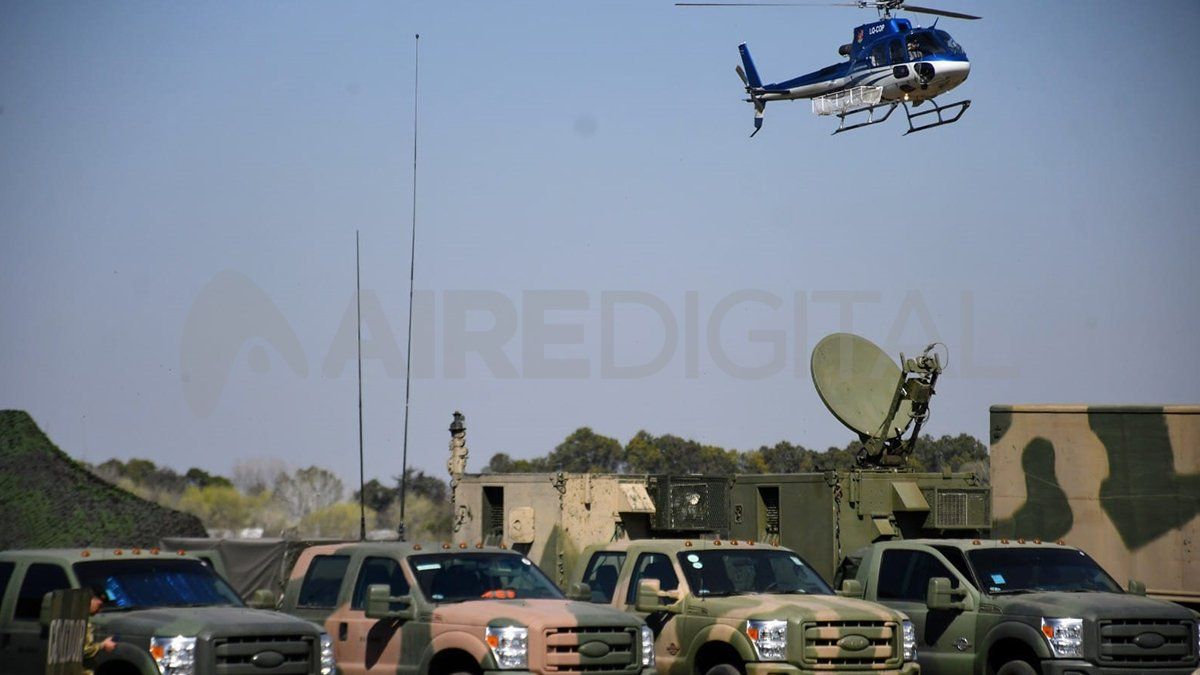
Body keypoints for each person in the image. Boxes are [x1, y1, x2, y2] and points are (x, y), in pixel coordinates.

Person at [83, 587, 117, 675]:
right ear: (92, 599)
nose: (100, 610)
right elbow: (84, 651)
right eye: (100, 605)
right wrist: (102, 645)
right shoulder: (80, 621)